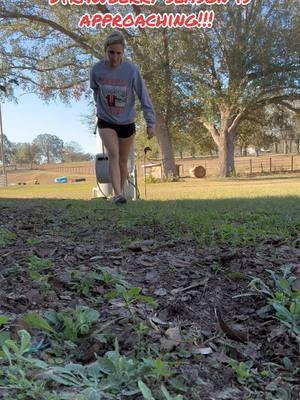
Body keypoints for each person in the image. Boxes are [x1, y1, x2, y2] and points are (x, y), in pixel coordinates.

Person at [90, 30, 156, 204]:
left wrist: (151, 122)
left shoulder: (131, 70)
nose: (115, 57)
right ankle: (117, 194)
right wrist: (100, 107)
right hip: (106, 120)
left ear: (123, 53)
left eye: (119, 53)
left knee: (123, 160)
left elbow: (143, 95)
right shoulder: (97, 70)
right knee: (113, 154)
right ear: (105, 51)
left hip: (127, 121)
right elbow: (95, 89)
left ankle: (122, 193)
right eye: (111, 52)